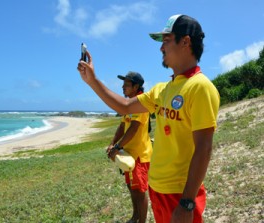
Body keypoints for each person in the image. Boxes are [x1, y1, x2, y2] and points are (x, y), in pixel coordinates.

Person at [77, 14, 220, 223]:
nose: (161, 48)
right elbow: (125, 106)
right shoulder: (162, 90)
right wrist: (93, 81)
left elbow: (204, 149)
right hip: (157, 188)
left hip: (179, 193)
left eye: (166, 41)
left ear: (186, 42)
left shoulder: (200, 87)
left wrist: (187, 202)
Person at [107, 72, 153, 223]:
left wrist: (118, 146)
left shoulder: (141, 102)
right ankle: (135, 216)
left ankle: (142, 221)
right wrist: (113, 143)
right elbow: (122, 125)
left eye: (126, 85)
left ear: (136, 86)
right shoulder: (130, 104)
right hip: (128, 153)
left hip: (140, 154)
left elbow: (133, 128)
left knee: (139, 191)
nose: (123, 87)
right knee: (131, 186)